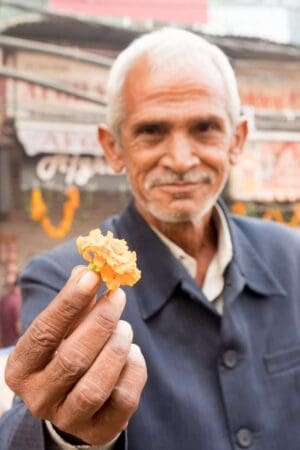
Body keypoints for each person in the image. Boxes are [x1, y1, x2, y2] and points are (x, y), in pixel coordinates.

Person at [1, 27, 300, 450]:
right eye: (151, 131)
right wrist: (65, 433)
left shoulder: (292, 256)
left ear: (238, 140)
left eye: (205, 128)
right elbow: (20, 429)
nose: (180, 160)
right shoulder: (61, 279)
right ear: (113, 147)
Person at [0, 280, 21, 348]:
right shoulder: (19, 301)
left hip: (4, 346)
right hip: (15, 346)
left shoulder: (3, 300)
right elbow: (18, 327)